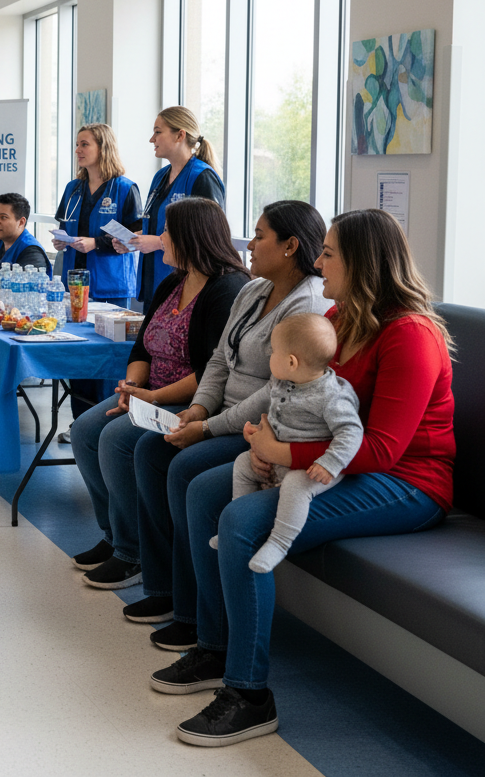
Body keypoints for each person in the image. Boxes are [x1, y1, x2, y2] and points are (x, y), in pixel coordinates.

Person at [161, 209, 455, 748]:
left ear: (362, 263)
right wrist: (262, 439)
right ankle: (216, 646)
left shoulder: (410, 335)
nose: (319, 263)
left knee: (241, 521)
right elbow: (295, 393)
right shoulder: (342, 317)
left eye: (330, 253)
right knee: (204, 491)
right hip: (338, 464)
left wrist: (287, 454)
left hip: (409, 483)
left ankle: (249, 694)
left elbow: (383, 450)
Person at [123, 200, 330, 632]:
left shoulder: (307, 305)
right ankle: (167, 589)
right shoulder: (254, 290)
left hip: (260, 425)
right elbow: (219, 359)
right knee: (150, 450)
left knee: (185, 471)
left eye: (259, 236)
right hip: (218, 411)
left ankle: (198, 615)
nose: (249, 245)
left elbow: (277, 392)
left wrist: (207, 427)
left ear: (291, 246)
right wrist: (198, 409)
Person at [69, 197, 249, 589]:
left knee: (116, 440)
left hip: (191, 400)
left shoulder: (227, 289)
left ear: (191, 237)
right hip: (150, 391)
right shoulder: (173, 282)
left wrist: (153, 398)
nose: (161, 238)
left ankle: (133, 552)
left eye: (167, 231)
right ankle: (115, 533)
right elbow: (142, 349)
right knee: (85, 430)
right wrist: (133, 386)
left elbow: (212, 371)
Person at [209, 313, 362, 573]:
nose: (270, 356)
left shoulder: (332, 396)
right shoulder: (283, 382)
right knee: (242, 464)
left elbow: (351, 431)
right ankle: (239, 513)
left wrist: (330, 463)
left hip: (316, 467)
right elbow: (278, 417)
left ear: (291, 362)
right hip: (280, 458)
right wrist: (258, 433)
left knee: (295, 485)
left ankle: (280, 542)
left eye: (273, 352)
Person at [53, 123, 143, 433]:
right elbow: (64, 225)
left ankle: (105, 427)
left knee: (107, 360)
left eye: (84, 144)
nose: (78, 150)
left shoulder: (125, 188)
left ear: (103, 148)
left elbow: (135, 236)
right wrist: (61, 240)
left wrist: (97, 243)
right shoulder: (73, 189)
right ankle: (79, 424)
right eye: (77, 144)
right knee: (79, 355)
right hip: (75, 283)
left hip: (110, 284)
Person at [116, 107, 225, 311]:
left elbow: (208, 238)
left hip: (184, 287)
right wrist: (134, 240)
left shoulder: (202, 178)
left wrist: (158, 243)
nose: (152, 139)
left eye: (158, 132)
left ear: (180, 135)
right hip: (154, 284)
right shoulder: (160, 177)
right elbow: (157, 225)